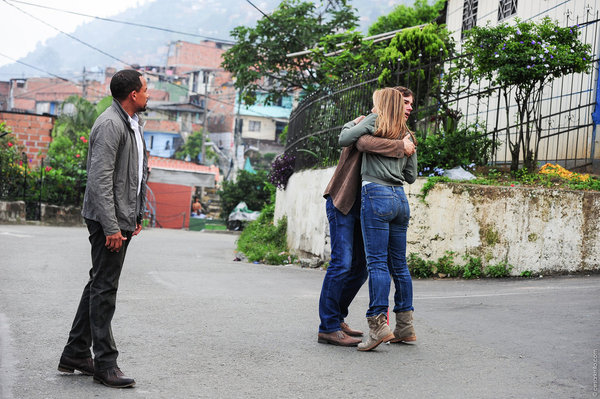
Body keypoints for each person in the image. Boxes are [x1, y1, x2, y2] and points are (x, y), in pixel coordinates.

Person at [57, 69, 149, 387]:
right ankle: (106, 364)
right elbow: (99, 179)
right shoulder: (111, 124)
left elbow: (133, 175)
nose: (149, 95)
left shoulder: (131, 124)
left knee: (98, 283)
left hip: (121, 218)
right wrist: (112, 227)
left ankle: (75, 353)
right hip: (106, 221)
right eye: (145, 90)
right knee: (105, 289)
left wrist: (135, 215)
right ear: (133, 95)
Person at [318, 91, 415, 347]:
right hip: (344, 201)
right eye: (404, 102)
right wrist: (400, 147)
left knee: (361, 268)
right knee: (342, 263)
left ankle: (337, 319)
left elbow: (408, 168)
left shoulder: (397, 131)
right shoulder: (365, 123)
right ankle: (327, 326)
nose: (408, 108)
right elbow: (357, 142)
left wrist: (403, 146)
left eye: (410, 104)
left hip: (369, 208)